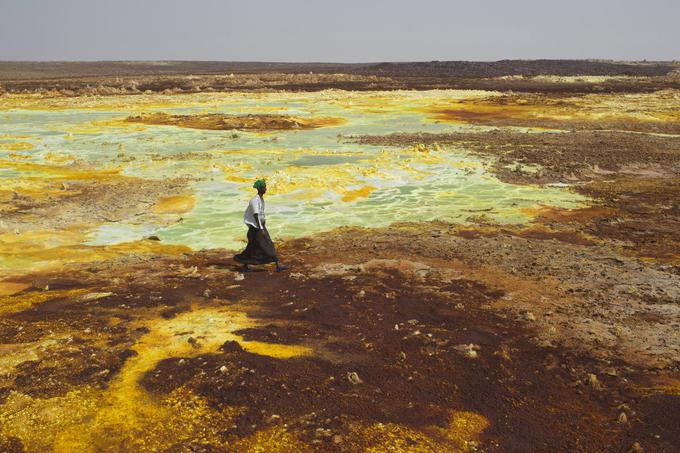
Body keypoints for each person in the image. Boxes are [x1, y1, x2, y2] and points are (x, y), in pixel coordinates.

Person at [234, 179, 289, 272]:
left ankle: (245, 265)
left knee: (253, 247)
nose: (265, 189)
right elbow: (256, 215)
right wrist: (261, 228)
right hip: (256, 228)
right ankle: (278, 264)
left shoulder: (260, 199)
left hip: (257, 227)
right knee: (267, 245)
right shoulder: (255, 200)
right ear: (260, 188)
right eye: (264, 187)